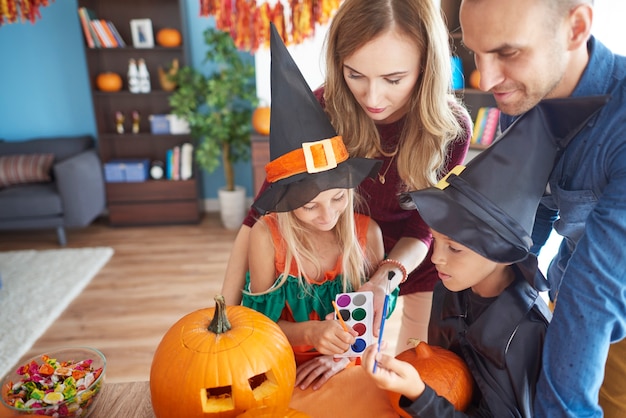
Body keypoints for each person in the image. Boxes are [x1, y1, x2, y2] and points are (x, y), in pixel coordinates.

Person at [222, 0, 473, 351]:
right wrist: (225, 315)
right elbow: (259, 214)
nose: (372, 97)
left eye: (393, 78)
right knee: (346, 357)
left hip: (412, 259)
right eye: (355, 74)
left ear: (425, 67)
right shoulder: (323, 108)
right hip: (345, 259)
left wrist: (385, 278)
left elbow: (423, 226)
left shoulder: (451, 128)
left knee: (417, 360)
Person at [362, 97, 606, 417]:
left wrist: (419, 394)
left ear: (502, 252)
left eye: (455, 247)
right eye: (435, 241)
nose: (436, 259)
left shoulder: (523, 334)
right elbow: (448, 377)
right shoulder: (448, 289)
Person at [459, 0, 626, 416]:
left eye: (507, 52)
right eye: (477, 53)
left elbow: (597, 286)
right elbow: (534, 214)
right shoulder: (529, 95)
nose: (488, 77)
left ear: (576, 27)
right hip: (570, 302)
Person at [241, 23, 386, 391]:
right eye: (309, 207)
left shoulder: (368, 234)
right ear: (288, 204)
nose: (327, 216)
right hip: (281, 368)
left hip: (346, 370)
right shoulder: (267, 238)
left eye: (338, 199)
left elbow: (374, 326)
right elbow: (259, 330)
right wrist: (311, 332)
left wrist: (341, 356)